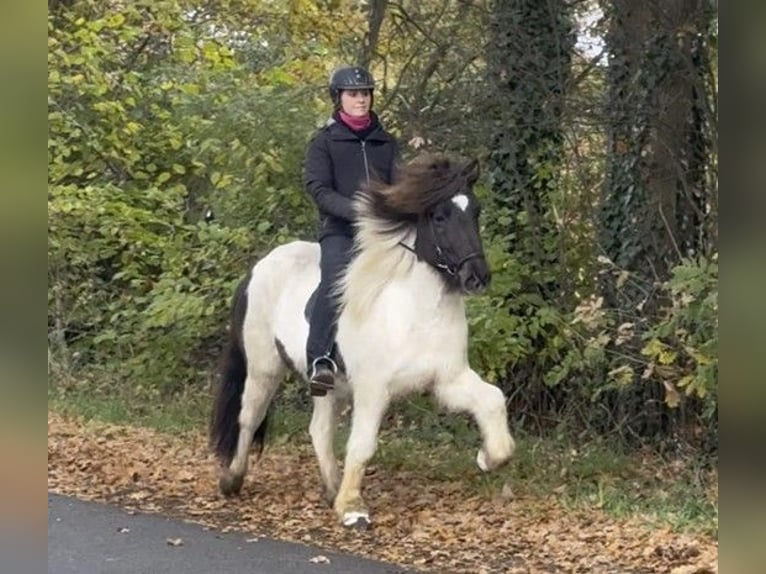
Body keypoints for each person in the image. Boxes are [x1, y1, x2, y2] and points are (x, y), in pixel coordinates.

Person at [303, 65, 399, 396]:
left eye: (365, 93)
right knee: (335, 279)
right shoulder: (324, 142)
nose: (361, 99)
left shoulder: (386, 143)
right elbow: (318, 188)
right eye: (353, 94)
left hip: (382, 232)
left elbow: (397, 185)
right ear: (339, 98)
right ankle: (320, 360)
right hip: (340, 231)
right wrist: (355, 211)